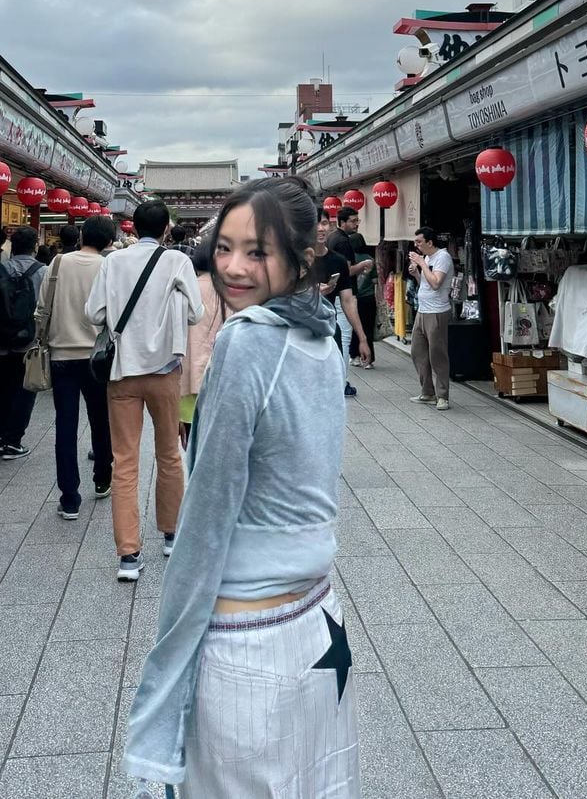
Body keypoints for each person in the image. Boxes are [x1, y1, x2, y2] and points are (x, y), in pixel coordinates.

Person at [123, 178, 359, 795]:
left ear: (301, 259)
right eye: (224, 247)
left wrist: (165, 674)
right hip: (319, 622)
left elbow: (207, 514)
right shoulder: (323, 336)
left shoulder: (249, 339)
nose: (232, 267)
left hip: (249, 638)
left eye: (258, 251)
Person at [86, 200, 203, 581]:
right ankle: (171, 533)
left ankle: (128, 556)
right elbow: (197, 313)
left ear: (133, 228)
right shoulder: (177, 261)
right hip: (165, 370)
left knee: (124, 462)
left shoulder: (113, 262)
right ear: (167, 228)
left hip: (122, 371)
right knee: (169, 453)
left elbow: (94, 313)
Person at [38, 215, 115, 518]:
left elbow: (42, 306)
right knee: (101, 420)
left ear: (82, 235)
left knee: (65, 426)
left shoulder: (57, 263)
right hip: (97, 357)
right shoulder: (108, 266)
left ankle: (69, 498)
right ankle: (102, 478)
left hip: (61, 356)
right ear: (109, 241)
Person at [0, 226, 45, 460]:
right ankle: (13, 441)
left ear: (12, 247)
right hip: (30, 344)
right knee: (25, 389)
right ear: (35, 247)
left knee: (1, 389)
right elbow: (46, 309)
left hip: (0, 341)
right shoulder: (43, 272)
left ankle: (0, 437)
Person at [312, 207, 371, 395]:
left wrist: (362, 338)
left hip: (329, 327)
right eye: (315, 224)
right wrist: (313, 292)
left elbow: (348, 301)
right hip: (302, 329)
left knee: (333, 380)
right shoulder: (295, 260)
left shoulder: (337, 261)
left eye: (324, 223)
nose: (320, 228)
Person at [180, 243, 225, 448]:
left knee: (191, 443)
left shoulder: (187, 289)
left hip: (189, 377)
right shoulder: (232, 292)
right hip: (220, 377)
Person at [408, 226, 454, 411]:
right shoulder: (427, 258)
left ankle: (442, 396)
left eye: (419, 242)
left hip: (437, 311)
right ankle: (427, 392)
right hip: (423, 310)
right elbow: (426, 284)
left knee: (437, 354)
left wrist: (422, 264)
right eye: (415, 242)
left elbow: (436, 283)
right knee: (418, 352)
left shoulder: (443, 257)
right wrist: (416, 274)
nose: (416, 245)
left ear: (430, 242)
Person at [337, 208, 378, 368]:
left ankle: (354, 356)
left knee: (352, 329)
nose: (356, 224)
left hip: (352, 296)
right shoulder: (367, 258)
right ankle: (368, 359)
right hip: (365, 298)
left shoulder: (337, 241)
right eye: (353, 221)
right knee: (365, 329)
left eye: (357, 220)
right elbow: (375, 280)